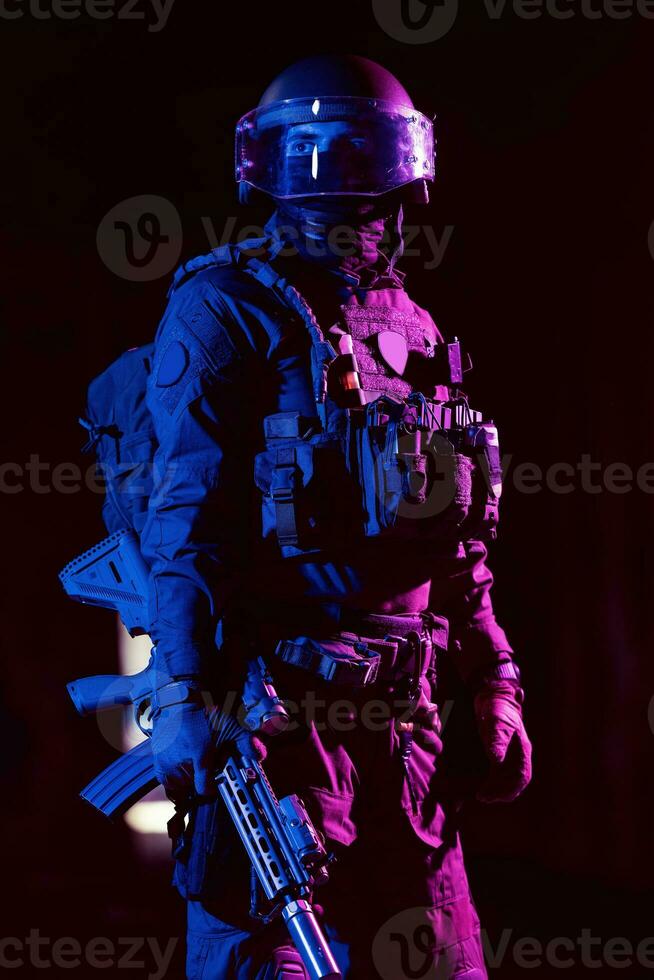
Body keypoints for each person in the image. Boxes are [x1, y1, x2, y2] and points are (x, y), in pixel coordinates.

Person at [140, 54, 532, 979]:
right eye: (357, 186)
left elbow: (458, 542)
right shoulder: (223, 311)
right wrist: (184, 693)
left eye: (388, 183)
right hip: (281, 737)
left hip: (410, 737)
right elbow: (184, 517)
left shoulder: (415, 331)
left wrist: (493, 675)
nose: (380, 216)